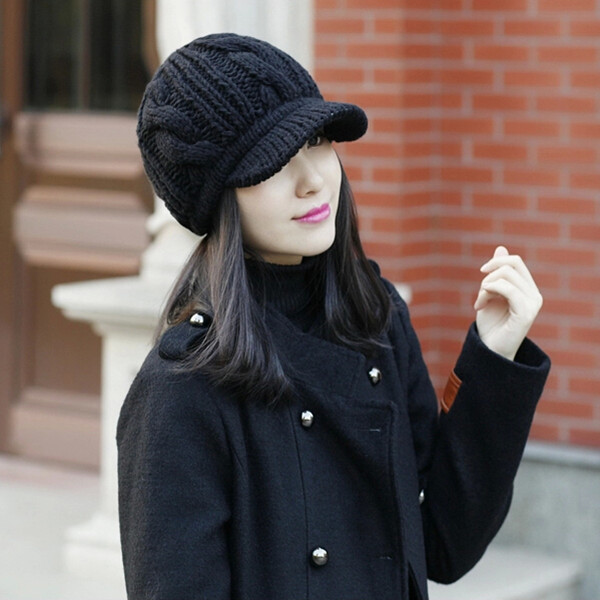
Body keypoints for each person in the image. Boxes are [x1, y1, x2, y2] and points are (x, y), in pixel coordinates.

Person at [117, 33, 550, 600]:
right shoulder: (182, 388)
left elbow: (444, 543)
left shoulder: (376, 320)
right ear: (217, 198)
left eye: (316, 141)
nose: (313, 180)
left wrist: (492, 357)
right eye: (272, 162)